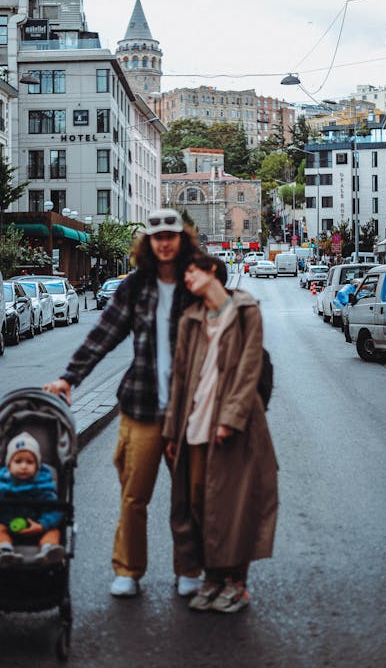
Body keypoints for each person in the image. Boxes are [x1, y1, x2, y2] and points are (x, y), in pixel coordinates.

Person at [43, 208, 203, 598]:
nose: (164, 243)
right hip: (142, 407)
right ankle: (128, 570)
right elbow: (104, 334)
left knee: (189, 495)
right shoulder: (135, 287)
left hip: (188, 412)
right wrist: (69, 377)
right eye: (157, 236)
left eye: (171, 235)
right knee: (134, 494)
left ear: (181, 240)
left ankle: (188, 570)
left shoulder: (196, 284)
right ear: (148, 242)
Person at [163, 253, 278, 613]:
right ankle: (213, 577)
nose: (187, 280)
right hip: (194, 425)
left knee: (235, 506)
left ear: (212, 270)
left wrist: (230, 418)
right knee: (199, 505)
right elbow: (180, 379)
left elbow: (249, 368)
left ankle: (236, 582)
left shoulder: (246, 311)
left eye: (191, 272)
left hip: (236, 427)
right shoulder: (190, 320)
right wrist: (171, 431)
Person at [0, 432, 65, 566]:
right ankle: (5, 550)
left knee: (53, 531)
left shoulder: (43, 485)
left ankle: (47, 550)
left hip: (37, 527)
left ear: (37, 467)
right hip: (7, 525)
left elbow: (54, 509)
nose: (24, 466)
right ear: (9, 465)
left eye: (30, 462)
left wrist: (42, 525)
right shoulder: (0, 480)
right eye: (18, 461)